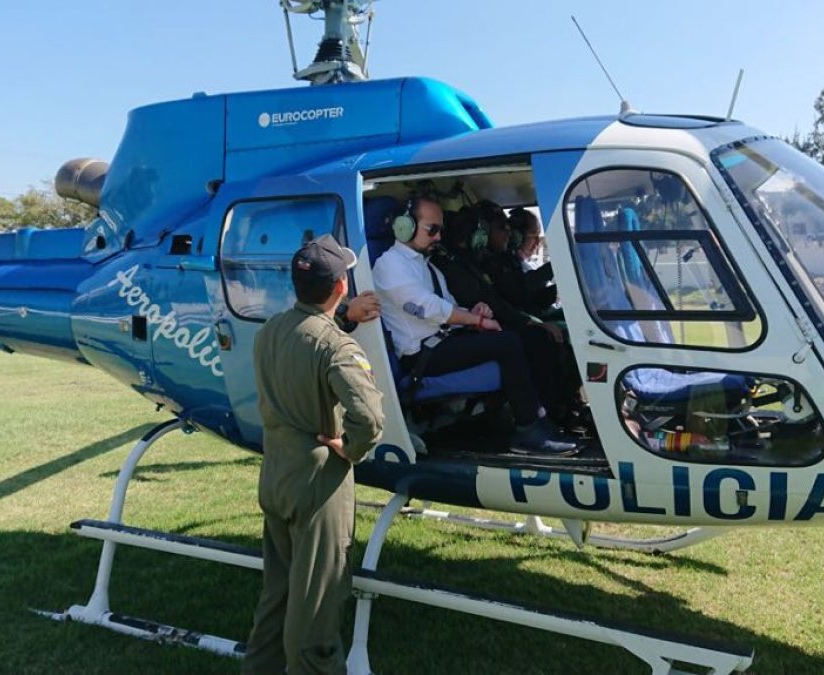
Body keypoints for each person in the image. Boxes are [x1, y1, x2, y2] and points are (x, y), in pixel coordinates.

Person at [242, 234, 385, 675]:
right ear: (341, 287)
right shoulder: (336, 346)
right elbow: (370, 420)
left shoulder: (270, 331)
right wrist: (350, 448)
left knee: (279, 594)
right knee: (318, 609)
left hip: (276, 474)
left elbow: (308, 331)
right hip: (317, 485)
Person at [372, 194, 576, 456]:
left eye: (440, 230)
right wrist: (476, 320)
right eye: (432, 229)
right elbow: (429, 308)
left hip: (446, 341)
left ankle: (548, 418)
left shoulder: (426, 266)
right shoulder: (388, 266)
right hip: (422, 355)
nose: (438, 237)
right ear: (405, 226)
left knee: (531, 337)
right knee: (507, 342)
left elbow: (448, 304)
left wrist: (473, 311)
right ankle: (528, 430)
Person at [432, 206, 572, 422]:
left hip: (486, 324)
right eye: (501, 228)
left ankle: (557, 410)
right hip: (472, 331)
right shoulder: (453, 264)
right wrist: (530, 323)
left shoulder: (470, 261)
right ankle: (546, 417)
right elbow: (496, 301)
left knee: (539, 336)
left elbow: (501, 300)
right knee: (537, 339)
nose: (507, 233)